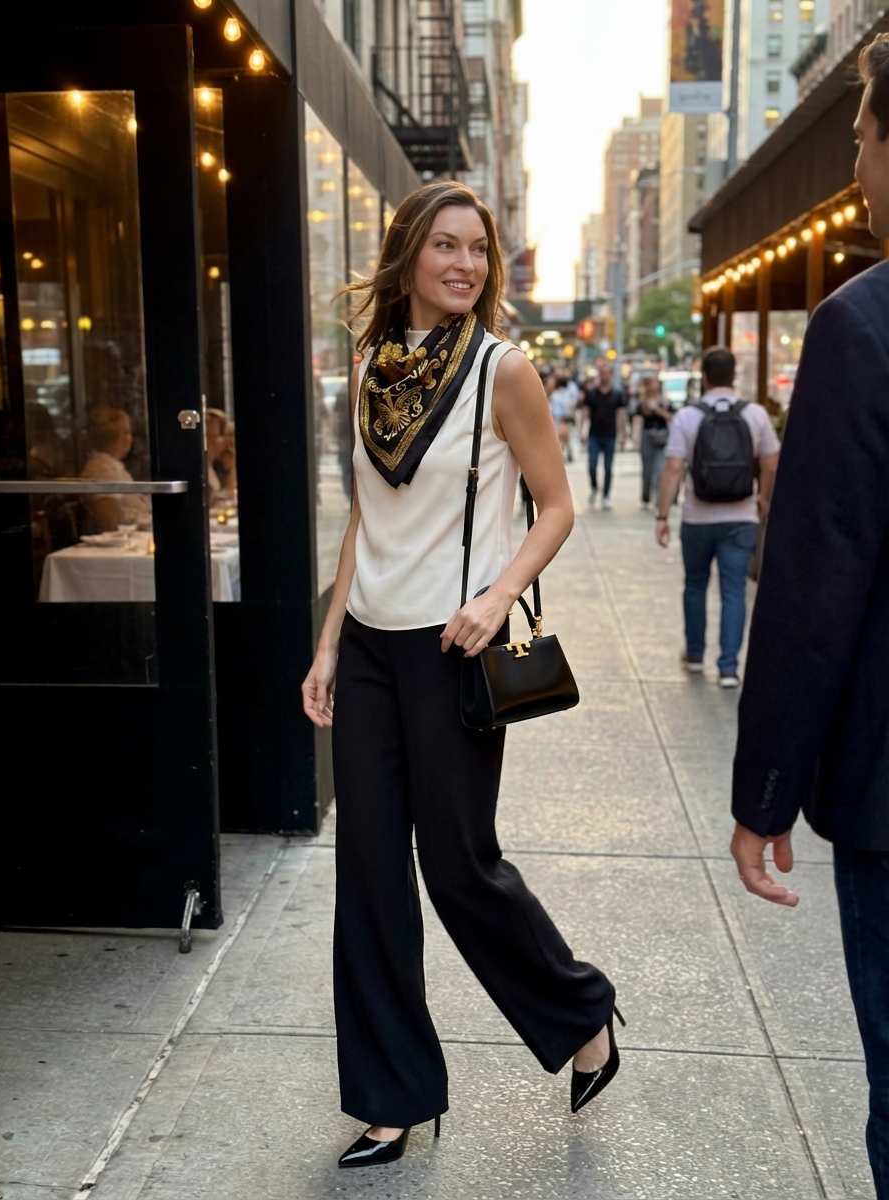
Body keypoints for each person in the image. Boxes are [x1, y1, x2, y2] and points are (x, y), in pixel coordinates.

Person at [301, 180, 623, 1170]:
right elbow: (368, 517)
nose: (462, 264)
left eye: (476, 250)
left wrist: (495, 593)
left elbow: (556, 504)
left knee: (455, 865)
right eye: (443, 245)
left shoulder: (502, 371)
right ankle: (390, 1097)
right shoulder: (368, 372)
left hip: (452, 647)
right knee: (367, 875)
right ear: (406, 254)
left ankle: (581, 1011)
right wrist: (323, 645)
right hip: (366, 648)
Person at [730, 35, 889, 1199]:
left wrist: (763, 796)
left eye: (856, 140)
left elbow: (812, 591)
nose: (851, 171)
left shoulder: (860, 329)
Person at [655, 346, 779, 687]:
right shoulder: (755, 415)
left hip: (698, 517)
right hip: (741, 516)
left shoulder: (688, 417)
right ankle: (728, 667)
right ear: (734, 375)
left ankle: (695, 655)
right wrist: (763, 498)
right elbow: (771, 462)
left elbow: (673, 467)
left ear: (705, 377)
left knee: (695, 585)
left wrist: (662, 515)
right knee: (734, 590)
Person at [80, 407, 151, 531]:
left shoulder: (111, 465)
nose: (130, 438)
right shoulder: (102, 470)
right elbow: (109, 523)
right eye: (127, 432)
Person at [578, 359, 626, 509]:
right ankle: (594, 486)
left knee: (608, 467)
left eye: (606, 373)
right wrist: (582, 431)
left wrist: (623, 435)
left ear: (611, 375)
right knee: (592, 465)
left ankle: (606, 495)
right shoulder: (592, 393)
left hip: (610, 435)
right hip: (594, 434)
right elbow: (585, 412)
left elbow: (621, 414)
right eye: (601, 373)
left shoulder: (617, 394)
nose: (604, 376)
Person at [637, 375, 673, 509]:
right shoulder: (642, 402)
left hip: (662, 436)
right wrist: (636, 438)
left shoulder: (665, 401)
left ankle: (659, 498)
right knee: (647, 469)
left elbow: (671, 417)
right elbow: (638, 419)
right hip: (647, 435)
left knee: (659, 468)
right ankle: (646, 496)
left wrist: (657, 409)